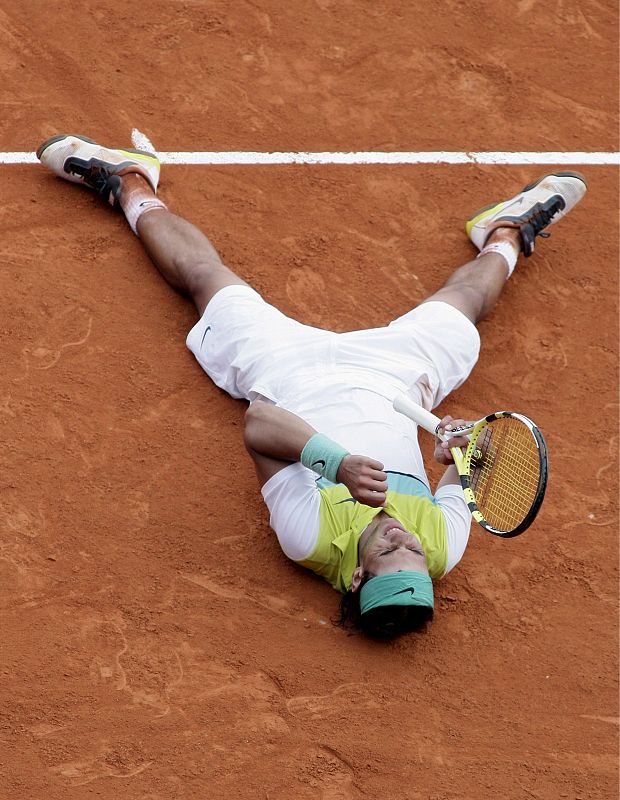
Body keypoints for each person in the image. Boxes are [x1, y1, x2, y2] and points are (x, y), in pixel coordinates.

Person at [37, 135, 587, 638]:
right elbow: (476, 462)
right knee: (466, 306)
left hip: (287, 370)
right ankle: (506, 232)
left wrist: (338, 464)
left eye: (390, 550)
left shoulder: (310, 537)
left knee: (205, 279)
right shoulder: (443, 548)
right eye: (413, 550)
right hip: (395, 375)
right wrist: (462, 451)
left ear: (354, 579)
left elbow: (260, 421)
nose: (403, 536)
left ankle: (129, 181)